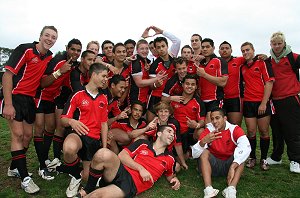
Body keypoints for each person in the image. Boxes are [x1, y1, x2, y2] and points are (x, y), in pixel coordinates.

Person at [1, 26, 58, 194]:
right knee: (18, 135)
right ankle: (25, 179)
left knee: (26, 137)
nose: (50, 39)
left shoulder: (49, 57)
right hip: (15, 96)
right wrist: (9, 104)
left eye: (53, 37)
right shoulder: (25, 49)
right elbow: (7, 75)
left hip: (30, 100)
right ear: (40, 36)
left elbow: (43, 81)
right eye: (47, 35)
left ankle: (13, 168)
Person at [75, 125, 180, 198]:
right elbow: (121, 156)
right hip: (120, 170)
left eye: (173, 133)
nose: (172, 135)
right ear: (159, 133)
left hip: (131, 185)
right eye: (169, 131)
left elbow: (170, 175)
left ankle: (90, 191)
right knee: (102, 153)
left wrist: (175, 180)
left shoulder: (170, 158)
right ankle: (88, 188)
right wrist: (141, 168)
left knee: (96, 196)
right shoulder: (143, 143)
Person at [55, 63, 109, 197]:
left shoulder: (103, 98)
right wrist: (72, 121)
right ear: (94, 75)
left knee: (87, 177)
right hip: (78, 135)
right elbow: (63, 119)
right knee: (68, 148)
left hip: (94, 140)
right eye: (104, 76)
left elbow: (104, 124)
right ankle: (74, 175)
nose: (106, 79)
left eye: (107, 77)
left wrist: (104, 146)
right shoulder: (77, 94)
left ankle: (80, 174)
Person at [192, 107, 251, 198]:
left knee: (242, 155)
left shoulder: (234, 129)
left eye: (217, 118)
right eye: (212, 119)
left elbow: (246, 147)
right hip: (212, 166)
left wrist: (233, 165)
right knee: (204, 152)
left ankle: (231, 188)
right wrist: (203, 142)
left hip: (229, 166)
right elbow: (194, 154)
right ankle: (208, 189)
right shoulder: (208, 130)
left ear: (225, 118)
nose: (214, 121)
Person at [266, 32, 300, 173]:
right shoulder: (269, 60)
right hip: (274, 100)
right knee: (277, 131)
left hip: (290, 98)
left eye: (280, 43)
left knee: (293, 131)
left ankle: (296, 160)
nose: (277, 46)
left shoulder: (293, 57)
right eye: (274, 44)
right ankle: (276, 156)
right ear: (271, 45)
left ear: (284, 43)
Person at [240, 42, 274, 171]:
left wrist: (264, 103)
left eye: (247, 49)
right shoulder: (243, 66)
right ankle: (252, 157)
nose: (245, 52)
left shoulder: (262, 63)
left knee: (264, 131)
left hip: (262, 102)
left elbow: (269, 82)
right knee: (251, 131)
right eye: (243, 51)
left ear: (253, 50)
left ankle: (264, 158)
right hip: (248, 102)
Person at [147, 26, 181, 122]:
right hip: (156, 97)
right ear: (156, 50)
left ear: (167, 46)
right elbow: (151, 86)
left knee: (169, 125)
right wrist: (155, 84)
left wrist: (162, 32)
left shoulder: (173, 57)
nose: (161, 49)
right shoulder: (154, 65)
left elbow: (177, 41)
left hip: (171, 97)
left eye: (163, 46)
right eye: (158, 47)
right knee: (151, 125)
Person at [170, 74, 206, 158]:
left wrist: (197, 125)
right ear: (182, 84)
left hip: (189, 132)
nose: (189, 86)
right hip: (175, 132)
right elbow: (163, 104)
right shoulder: (175, 98)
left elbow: (202, 120)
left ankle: (197, 154)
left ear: (196, 86)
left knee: (201, 131)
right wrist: (170, 98)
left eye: (193, 84)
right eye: (187, 83)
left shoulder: (198, 102)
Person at [197, 38, 228, 123]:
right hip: (202, 101)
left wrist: (204, 75)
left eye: (207, 47)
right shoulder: (200, 63)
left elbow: (223, 82)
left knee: (212, 126)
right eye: (203, 47)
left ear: (213, 48)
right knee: (203, 127)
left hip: (215, 99)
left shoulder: (219, 61)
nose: (205, 49)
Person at [129, 39, 166, 106]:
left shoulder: (148, 62)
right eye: (142, 49)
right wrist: (156, 78)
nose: (145, 51)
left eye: (146, 48)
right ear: (137, 50)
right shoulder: (136, 62)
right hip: (136, 99)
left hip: (145, 98)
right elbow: (139, 83)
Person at [218, 41, 244, 126]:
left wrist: (262, 56)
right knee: (220, 127)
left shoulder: (239, 60)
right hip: (220, 99)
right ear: (219, 51)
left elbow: (251, 57)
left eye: (227, 48)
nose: (224, 50)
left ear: (231, 50)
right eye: (222, 49)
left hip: (235, 98)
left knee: (234, 127)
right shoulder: (216, 62)